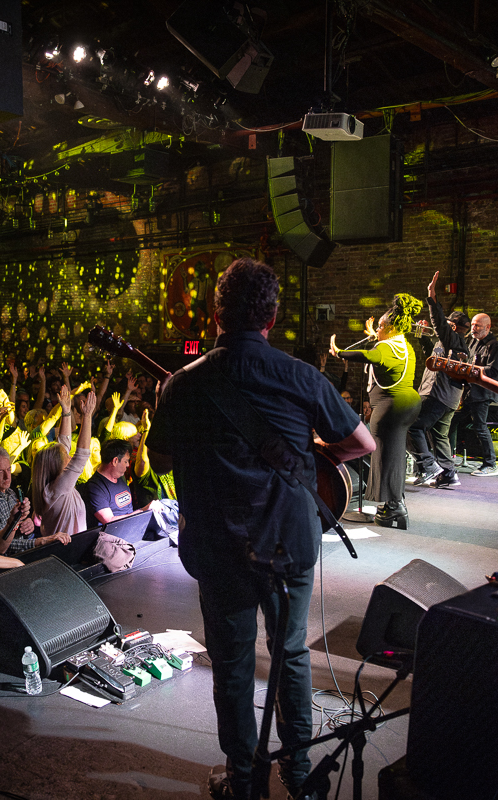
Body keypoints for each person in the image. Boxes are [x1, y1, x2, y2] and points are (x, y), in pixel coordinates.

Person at [148, 258, 375, 799]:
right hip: (287, 541)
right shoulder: (300, 375)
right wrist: (313, 453)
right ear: (271, 318)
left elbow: (158, 462)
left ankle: (245, 781)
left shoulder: (182, 385)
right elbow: (362, 443)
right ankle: (298, 776)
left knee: (230, 662)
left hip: (218, 544)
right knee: (291, 655)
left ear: (215, 315)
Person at [331, 292, 423, 527]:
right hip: (408, 406)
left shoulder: (385, 348)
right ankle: (395, 505)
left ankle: (393, 508)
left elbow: (369, 355)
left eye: (381, 326)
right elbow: (380, 351)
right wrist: (377, 335)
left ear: (391, 327)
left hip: (391, 408)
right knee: (394, 457)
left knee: (383, 457)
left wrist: (340, 352)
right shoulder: (404, 345)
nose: (377, 330)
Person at [408, 272, 470, 489]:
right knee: (439, 435)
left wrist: (432, 297)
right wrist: (423, 335)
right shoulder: (455, 344)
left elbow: (440, 324)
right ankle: (449, 473)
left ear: (453, 326)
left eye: (448, 324)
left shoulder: (453, 339)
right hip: (450, 399)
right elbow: (429, 356)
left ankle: (427, 467)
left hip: (437, 395)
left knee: (412, 426)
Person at [30, 385, 95, 539]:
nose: (70, 457)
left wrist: (66, 410)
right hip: (65, 551)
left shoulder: (54, 485)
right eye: (67, 457)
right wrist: (87, 416)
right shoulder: (58, 489)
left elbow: (64, 442)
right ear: (56, 465)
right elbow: (82, 455)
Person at [461, 312, 498, 476]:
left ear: (488, 327)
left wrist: (471, 369)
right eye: (472, 324)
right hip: (470, 392)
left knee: (480, 426)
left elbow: (493, 371)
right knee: (453, 421)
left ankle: (491, 464)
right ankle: (446, 459)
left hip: (482, 393)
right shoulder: (472, 343)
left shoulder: (493, 346)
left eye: (477, 325)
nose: (473, 328)